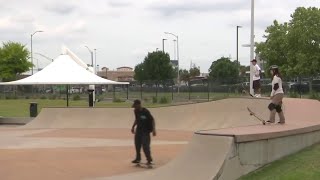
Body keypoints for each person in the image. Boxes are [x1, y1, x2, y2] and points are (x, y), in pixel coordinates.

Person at [131, 99, 156, 165]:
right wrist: (133, 127)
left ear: (139, 104)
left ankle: (149, 159)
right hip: (138, 130)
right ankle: (138, 158)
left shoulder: (146, 111)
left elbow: (152, 120)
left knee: (145, 146)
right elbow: (136, 119)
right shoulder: (136, 111)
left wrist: (154, 130)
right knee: (137, 145)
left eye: (135, 106)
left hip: (145, 131)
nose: (134, 107)